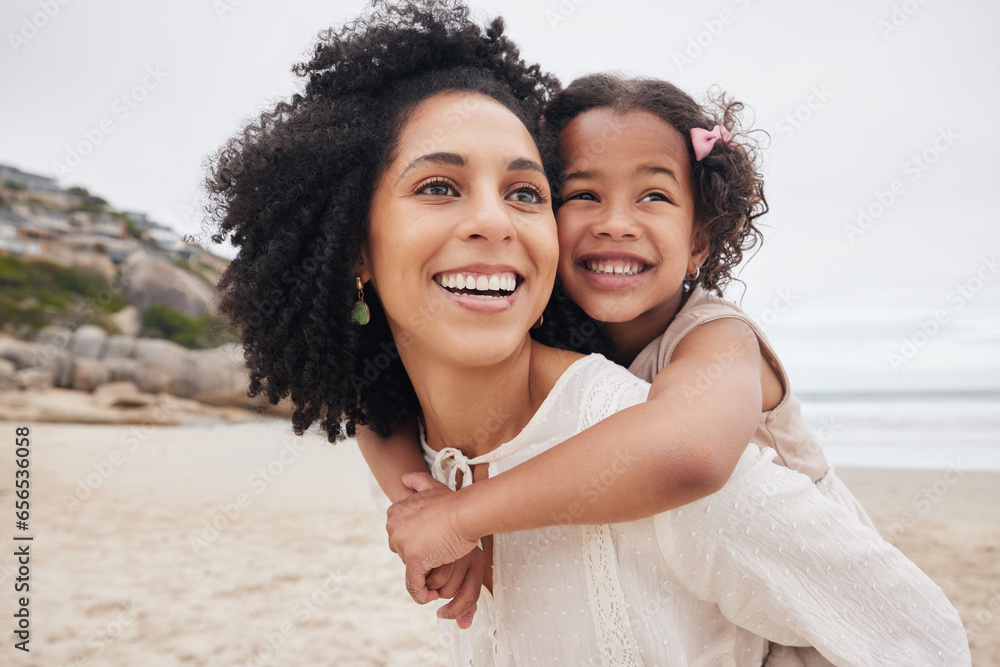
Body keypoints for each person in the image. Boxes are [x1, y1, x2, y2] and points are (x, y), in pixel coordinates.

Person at [206, 1, 971, 664]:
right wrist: (434, 506)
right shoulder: (452, 411)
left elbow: (693, 457)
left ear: (700, 244)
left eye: (522, 191)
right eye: (439, 186)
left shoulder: (694, 364)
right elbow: (370, 401)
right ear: (352, 250)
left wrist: (463, 515)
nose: (491, 221)